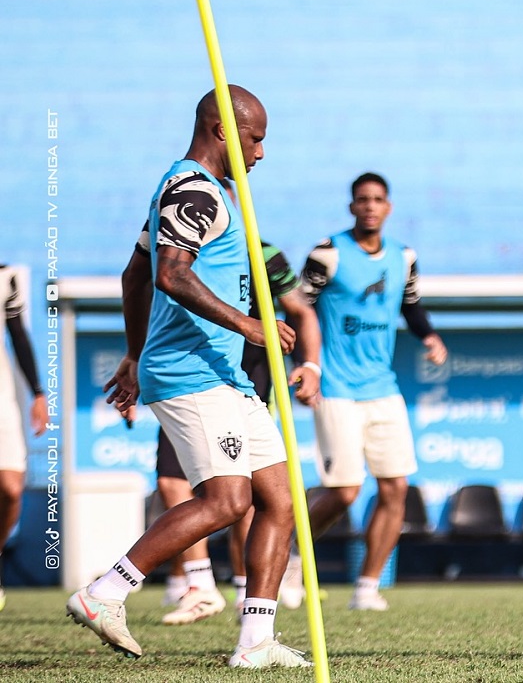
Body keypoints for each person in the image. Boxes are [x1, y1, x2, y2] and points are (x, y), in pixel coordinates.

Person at [69, 85, 310, 668]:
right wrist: (250, 326)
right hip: (191, 372)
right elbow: (170, 276)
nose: (261, 153)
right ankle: (106, 593)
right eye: (255, 139)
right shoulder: (194, 188)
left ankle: (255, 642)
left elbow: (134, 274)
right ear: (224, 129)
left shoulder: (209, 191)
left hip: (223, 373)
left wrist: (132, 353)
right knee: (228, 500)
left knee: (279, 500)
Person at [286, 171, 446, 611]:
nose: (370, 206)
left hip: (382, 388)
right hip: (336, 387)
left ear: (388, 207)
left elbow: (410, 304)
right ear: (352, 207)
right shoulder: (328, 254)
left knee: (396, 487)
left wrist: (429, 337)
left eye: (378, 199)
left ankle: (367, 587)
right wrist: (306, 365)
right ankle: (289, 554)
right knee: (344, 490)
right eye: (362, 200)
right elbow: (299, 308)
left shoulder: (404, 256)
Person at [149, 233, 320, 625]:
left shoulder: (265, 253)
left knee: (250, 493)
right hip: (189, 375)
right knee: (172, 481)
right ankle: (199, 585)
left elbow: (301, 310)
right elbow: (146, 285)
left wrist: (310, 366)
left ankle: (248, 593)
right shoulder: (183, 246)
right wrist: (134, 357)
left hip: (247, 380)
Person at [0, 265, 50, 612]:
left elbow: (18, 335)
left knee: (10, 488)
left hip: (3, 397)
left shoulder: (6, 277)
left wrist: (37, 393)